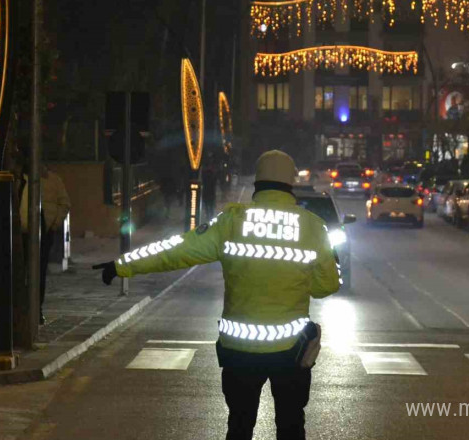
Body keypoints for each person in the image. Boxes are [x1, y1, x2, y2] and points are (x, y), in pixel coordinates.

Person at [93, 150, 340, 440]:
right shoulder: (312, 226)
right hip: (291, 350)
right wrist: (296, 280)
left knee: (239, 425)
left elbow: (175, 250)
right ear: (291, 184)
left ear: (257, 185)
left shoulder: (231, 222)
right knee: (290, 425)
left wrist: (121, 265)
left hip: (239, 351)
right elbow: (327, 285)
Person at [20, 166, 71, 325]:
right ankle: (23, 308)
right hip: (22, 231)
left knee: (38, 271)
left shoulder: (53, 180)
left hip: (44, 230)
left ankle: (36, 308)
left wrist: (54, 224)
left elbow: (64, 203)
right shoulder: (21, 179)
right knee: (23, 271)